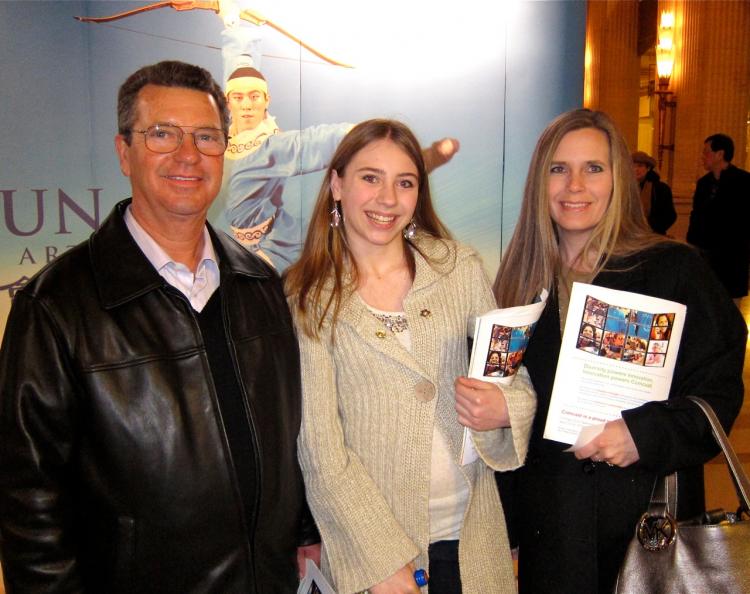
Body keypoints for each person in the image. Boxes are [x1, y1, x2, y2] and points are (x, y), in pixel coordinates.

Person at [0, 60, 318, 593]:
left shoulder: (260, 285)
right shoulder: (56, 306)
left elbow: (291, 441)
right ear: (124, 152)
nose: (188, 155)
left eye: (206, 137)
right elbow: (29, 505)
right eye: (163, 134)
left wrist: (304, 529)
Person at [493, 109, 746, 594]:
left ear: (620, 180)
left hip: (648, 529)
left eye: (594, 168)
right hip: (553, 534)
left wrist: (643, 435)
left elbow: (718, 392)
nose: (575, 186)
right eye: (558, 168)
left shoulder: (673, 271)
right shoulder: (520, 285)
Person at [285, 119, 536, 594]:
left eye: (405, 182)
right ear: (337, 184)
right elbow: (319, 448)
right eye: (369, 178)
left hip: (473, 537)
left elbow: (512, 380)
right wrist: (380, 561)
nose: (387, 198)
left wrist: (505, 410)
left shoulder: (458, 268)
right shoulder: (306, 297)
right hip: (377, 555)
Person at [218, 12, 459, 271]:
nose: (246, 105)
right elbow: (236, 72)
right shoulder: (225, 136)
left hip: (278, 240)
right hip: (244, 238)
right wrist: (232, 23)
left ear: (267, 100)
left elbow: (311, 143)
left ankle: (412, 162)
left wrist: (371, 137)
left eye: (255, 97)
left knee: (347, 237)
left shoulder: (271, 146)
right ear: (228, 101)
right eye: (238, 98)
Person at [687, 133, 750, 304]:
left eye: (706, 152)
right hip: (706, 255)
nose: (703, 157)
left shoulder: (744, 182)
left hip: (733, 255)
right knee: (707, 300)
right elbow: (696, 216)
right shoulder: (703, 184)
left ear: (720, 154)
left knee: (731, 304)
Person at [631, 150, 676, 234]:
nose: (636, 169)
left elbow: (670, 216)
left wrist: (652, 228)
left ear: (648, 168)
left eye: (640, 166)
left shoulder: (661, 189)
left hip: (652, 235)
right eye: (633, 166)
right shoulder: (624, 187)